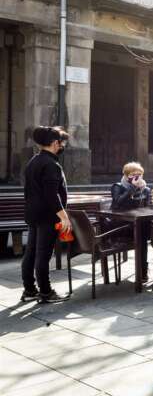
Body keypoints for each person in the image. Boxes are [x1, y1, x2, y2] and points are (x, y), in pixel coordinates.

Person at [21, 126, 71, 303]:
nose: (62, 145)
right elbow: (51, 194)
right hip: (47, 216)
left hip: (33, 214)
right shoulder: (51, 164)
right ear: (55, 143)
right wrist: (63, 216)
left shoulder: (34, 161)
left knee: (31, 253)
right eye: (61, 142)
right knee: (43, 255)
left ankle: (29, 290)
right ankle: (46, 292)